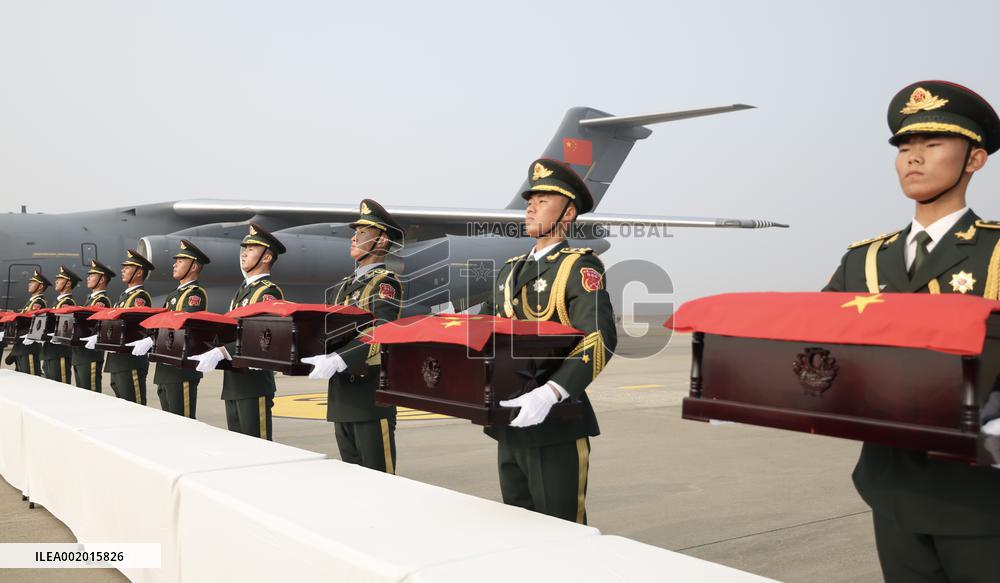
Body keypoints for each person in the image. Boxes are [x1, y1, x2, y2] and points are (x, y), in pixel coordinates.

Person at [824, 80, 1000, 583]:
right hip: (891, 484)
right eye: (904, 148)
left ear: (974, 160)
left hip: (981, 494)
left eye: (932, 144)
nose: (913, 159)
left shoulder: (995, 251)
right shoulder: (864, 260)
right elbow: (820, 342)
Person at [481, 158, 617, 523]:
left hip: (556, 422)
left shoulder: (578, 266)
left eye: (543, 201)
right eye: (531, 200)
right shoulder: (510, 270)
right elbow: (481, 327)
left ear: (568, 213)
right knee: (521, 530)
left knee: (564, 529)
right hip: (509, 422)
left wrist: (552, 392)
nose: (530, 207)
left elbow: (600, 337)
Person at [302, 199, 404, 473]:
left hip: (369, 396)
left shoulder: (385, 282)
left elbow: (382, 329)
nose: (354, 237)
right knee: (353, 479)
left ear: (382, 241)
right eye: (355, 232)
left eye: (362, 232)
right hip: (341, 396)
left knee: (380, 479)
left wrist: (340, 358)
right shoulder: (342, 287)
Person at [192, 223, 284, 439]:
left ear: (266, 257)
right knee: (240, 446)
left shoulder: (268, 293)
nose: (244, 254)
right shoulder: (243, 292)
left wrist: (223, 351)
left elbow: (262, 335)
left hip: (253, 383)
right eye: (245, 249)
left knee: (258, 447)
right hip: (234, 381)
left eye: (251, 249)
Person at [130, 240, 210, 418]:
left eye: (180, 261)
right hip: (165, 367)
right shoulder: (174, 295)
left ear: (194, 266)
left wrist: (152, 339)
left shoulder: (195, 294)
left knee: (183, 422)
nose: (175, 264)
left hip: (181, 369)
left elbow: (183, 325)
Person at [104, 249, 154, 404]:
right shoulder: (124, 297)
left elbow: (134, 326)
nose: (123, 270)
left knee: (135, 405)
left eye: (127, 267)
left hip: (130, 360)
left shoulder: (140, 297)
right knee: (123, 406)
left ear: (139, 272)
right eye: (123, 267)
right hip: (118, 360)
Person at [73, 259, 114, 391]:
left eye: (92, 275)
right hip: (81, 354)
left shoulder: (101, 301)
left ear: (101, 280)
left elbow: (99, 326)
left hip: (90, 355)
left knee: (90, 393)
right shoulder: (91, 299)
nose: (88, 278)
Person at [39, 266, 80, 383]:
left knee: (61, 385)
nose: (56, 281)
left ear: (68, 283)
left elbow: (65, 330)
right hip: (51, 351)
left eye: (60, 279)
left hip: (59, 352)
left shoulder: (68, 302)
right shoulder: (59, 301)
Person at [6, 270, 49, 375]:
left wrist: (32, 336)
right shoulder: (31, 302)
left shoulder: (39, 302)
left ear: (40, 286)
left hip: (29, 348)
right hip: (22, 347)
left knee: (31, 378)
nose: (29, 284)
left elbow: (37, 323)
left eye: (33, 282)